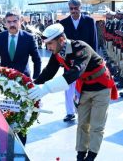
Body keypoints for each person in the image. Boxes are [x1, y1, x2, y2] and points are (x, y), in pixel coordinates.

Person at [28, 23, 118, 161]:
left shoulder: (80, 48)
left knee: (96, 125)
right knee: (82, 124)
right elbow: (49, 72)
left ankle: (91, 156)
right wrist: (32, 86)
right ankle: (81, 154)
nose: (48, 47)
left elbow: (76, 72)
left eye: (50, 43)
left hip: (101, 86)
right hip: (85, 88)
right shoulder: (57, 53)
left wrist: (46, 89)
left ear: (61, 40)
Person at [0, 11, 42, 145]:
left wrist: (36, 81)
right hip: (3, 83)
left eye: (14, 21)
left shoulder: (29, 38)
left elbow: (37, 59)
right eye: (9, 22)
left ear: (20, 21)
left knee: (22, 117)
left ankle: (21, 148)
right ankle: (5, 146)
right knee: (4, 115)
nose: (12, 24)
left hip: (23, 84)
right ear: (5, 23)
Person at [59, 0, 98, 122]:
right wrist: (61, 59)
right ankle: (70, 112)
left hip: (85, 59)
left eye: (76, 8)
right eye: (71, 8)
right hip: (69, 61)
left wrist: (94, 59)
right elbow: (60, 43)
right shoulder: (63, 23)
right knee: (68, 87)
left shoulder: (89, 21)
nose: (74, 11)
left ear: (81, 8)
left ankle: (83, 111)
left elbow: (94, 41)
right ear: (69, 8)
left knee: (85, 86)